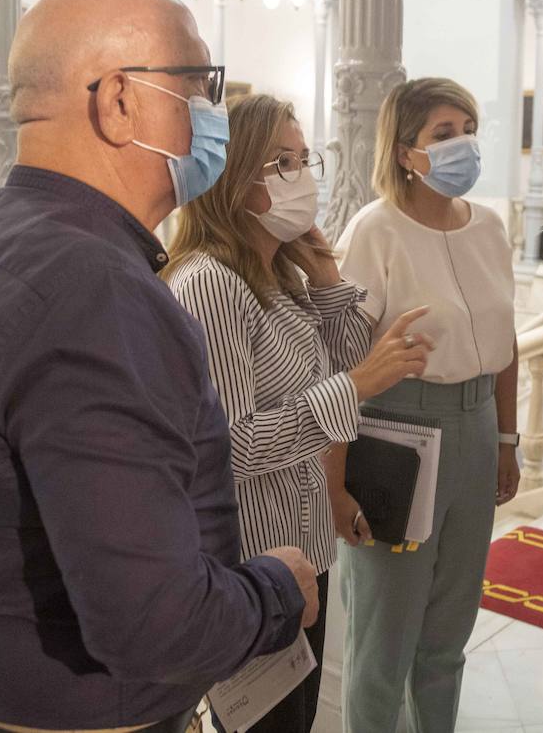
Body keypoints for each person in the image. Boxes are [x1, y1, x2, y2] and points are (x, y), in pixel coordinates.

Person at [0, 0, 317, 733]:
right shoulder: (91, 289)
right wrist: (278, 591)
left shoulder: (1, 233)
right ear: (120, 101)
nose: (213, 112)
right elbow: (153, 625)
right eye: (201, 84)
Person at [163, 94, 435, 733]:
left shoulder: (278, 272)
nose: (303, 176)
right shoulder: (210, 283)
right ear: (231, 180)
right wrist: (358, 384)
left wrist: (328, 276)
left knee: (298, 715)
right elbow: (231, 446)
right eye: (280, 162)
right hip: (250, 563)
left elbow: (338, 364)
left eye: (302, 157)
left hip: (302, 547)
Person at [331, 77, 521, 733]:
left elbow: (507, 340)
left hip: (478, 426)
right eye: (445, 133)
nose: (463, 143)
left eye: (469, 128)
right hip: (397, 432)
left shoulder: (490, 226)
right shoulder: (375, 231)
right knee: (384, 641)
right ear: (407, 150)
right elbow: (340, 369)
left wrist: (507, 441)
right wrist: (336, 485)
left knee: (447, 633)